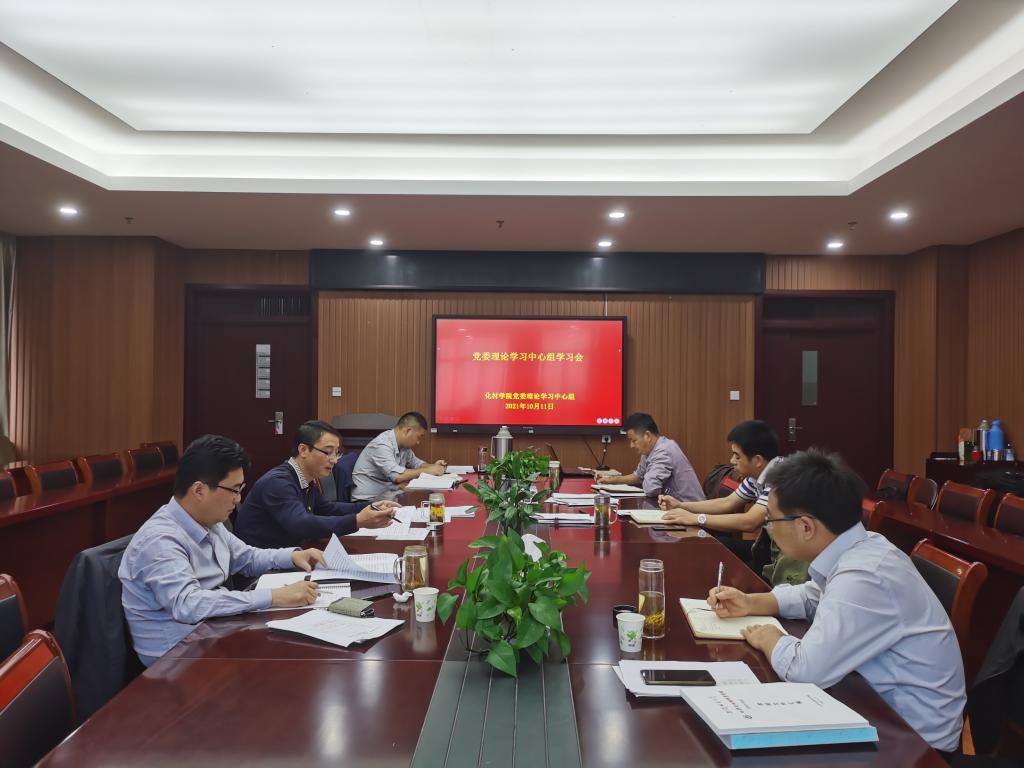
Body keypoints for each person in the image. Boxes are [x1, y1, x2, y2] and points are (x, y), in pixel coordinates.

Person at [707, 449, 966, 753]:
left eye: (771, 520)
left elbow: (806, 671)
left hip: (914, 741)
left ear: (805, 527)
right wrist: (752, 603)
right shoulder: (861, 546)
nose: (769, 529)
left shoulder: (865, 575)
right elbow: (813, 595)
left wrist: (771, 638)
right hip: (871, 702)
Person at [119, 435, 327, 667]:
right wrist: (273, 597)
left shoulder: (209, 522)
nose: (238, 500)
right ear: (199, 490)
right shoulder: (160, 540)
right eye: (234, 490)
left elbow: (246, 557)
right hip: (176, 659)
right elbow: (189, 604)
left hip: (212, 633)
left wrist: (293, 555)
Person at [659, 420, 808, 585]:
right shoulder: (757, 474)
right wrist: (680, 505)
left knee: (733, 572)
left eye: (737, 456)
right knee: (716, 545)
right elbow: (726, 503)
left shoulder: (780, 477)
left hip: (791, 557)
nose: (732, 460)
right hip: (770, 546)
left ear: (757, 460)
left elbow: (750, 521)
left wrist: (696, 519)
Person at [234, 420, 398, 549]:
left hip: (289, 554)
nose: (334, 460)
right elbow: (301, 524)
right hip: (263, 569)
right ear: (303, 450)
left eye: (336, 453)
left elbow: (327, 508)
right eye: (328, 452)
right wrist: (357, 521)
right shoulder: (278, 483)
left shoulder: (304, 479)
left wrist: (371, 506)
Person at [595, 412, 703, 501]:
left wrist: (645, 477)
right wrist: (611, 480)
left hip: (691, 511)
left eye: (633, 440)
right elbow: (638, 476)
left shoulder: (664, 451)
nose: (631, 445)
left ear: (647, 436)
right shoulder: (650, 450)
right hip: (676, 509)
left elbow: (651, 488)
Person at [352, 411, 448, 501]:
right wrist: (429, 470)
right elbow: (397, 476)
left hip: (387, 496)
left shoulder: (404, 447)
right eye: (419, 437)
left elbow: (417, 464)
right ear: (408, 431)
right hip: (367, 502)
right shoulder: (381, 445)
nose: (418, 442)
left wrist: (435, 467)